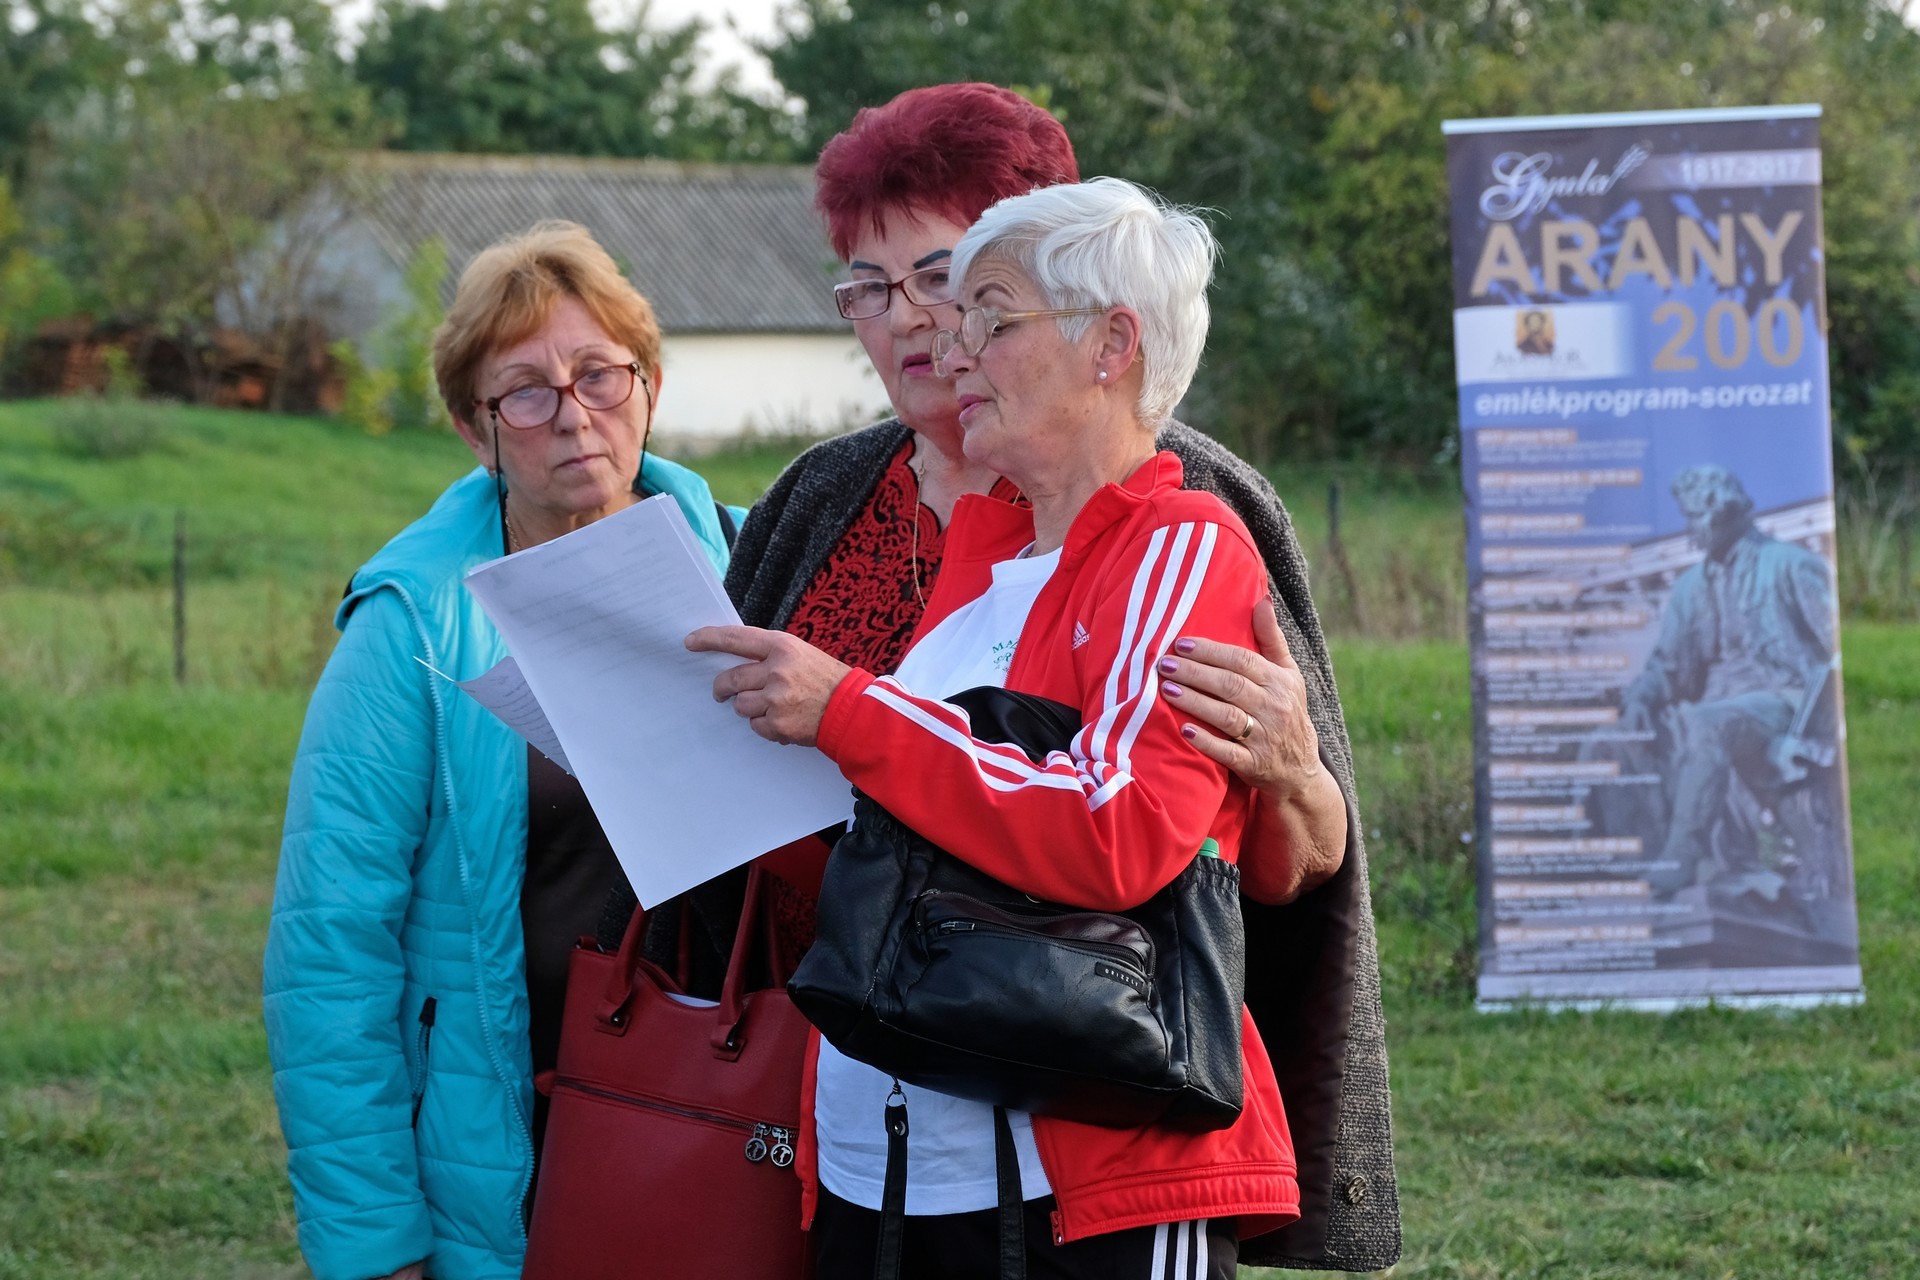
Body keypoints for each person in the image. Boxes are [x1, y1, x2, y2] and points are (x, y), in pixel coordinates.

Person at [711, 82, 1399, 1270]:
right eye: (869, 287)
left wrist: (848, 712)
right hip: (869, 1120)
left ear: (1107, 339)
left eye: (961, 293)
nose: (932, 333)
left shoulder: (1186, 524)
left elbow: (1192, 835)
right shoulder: (865, 510)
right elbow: (905, 817)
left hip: (1074, 1138)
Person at [263, 221, 743, 1280]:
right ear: (471, 428)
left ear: (649, 385)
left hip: (738, 1116)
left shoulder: (755, 566)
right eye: (524, 392)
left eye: (599, 375)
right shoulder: (414, 626)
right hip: (510, 1149)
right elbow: (330, 946)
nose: (573, 415)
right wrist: (374, 1239)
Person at [1621, 465, 1840, 899]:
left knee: (1708, 723)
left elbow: (1836, 651)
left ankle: (1681, 859)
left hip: (1781, 701)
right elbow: (1667, 666)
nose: (1689, 531)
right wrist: (1640, 699)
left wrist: (1814, 731)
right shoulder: (1688, 588)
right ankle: (1623, 867)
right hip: (1712, 707)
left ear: (1724, 512)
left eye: (1694, 518)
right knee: (1611, 741)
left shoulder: (1789, 564)